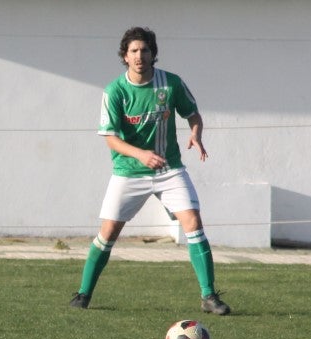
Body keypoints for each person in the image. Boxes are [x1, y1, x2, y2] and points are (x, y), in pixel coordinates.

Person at [71, 26, 231, 315]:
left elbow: (193, 114)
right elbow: (110, 138)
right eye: (133, 51)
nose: (139, 56)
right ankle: (83, 294)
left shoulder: (170, 84)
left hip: (169, 170)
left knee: (193, 223)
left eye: (145, 50)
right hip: (129, 172)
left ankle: (209, 297)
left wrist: (196, 133)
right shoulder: (115, 91)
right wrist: (141, 154)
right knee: (108, 233)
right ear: (125, 56)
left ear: (153, 54)